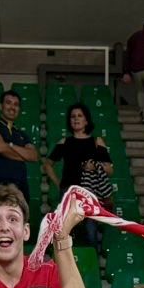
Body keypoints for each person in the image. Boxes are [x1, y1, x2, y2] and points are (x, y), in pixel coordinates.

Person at [42, 102, 112, 240]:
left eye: (80, 116)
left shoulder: (96, 141)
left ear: (86, 120)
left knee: (90, 229)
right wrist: (59, 184)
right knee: (67, 231)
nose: (76, 118)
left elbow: (109, 170)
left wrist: (96, 166)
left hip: (90, 192)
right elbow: (47, 164)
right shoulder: (64, 142)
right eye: (73, 116)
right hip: (69, 192)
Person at [0, 90, 40, 202]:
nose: (12, 107)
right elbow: (0, 147)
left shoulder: (21, 133)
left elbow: (33, 156)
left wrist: (10, 145)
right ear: (1, 106)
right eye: (8, 103)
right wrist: (23, 155)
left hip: (21, 187)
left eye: (16, 104)